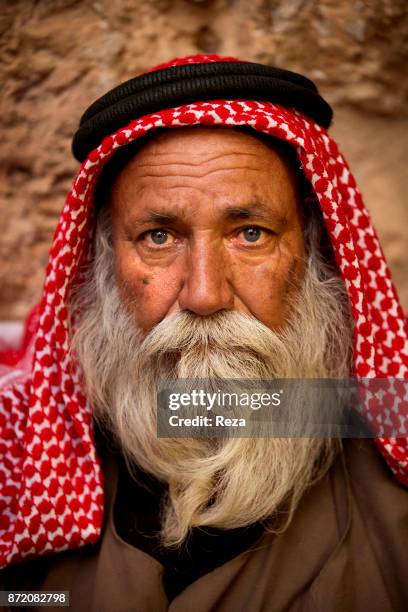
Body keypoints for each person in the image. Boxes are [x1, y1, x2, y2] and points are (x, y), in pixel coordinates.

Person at [0, 54, 407, 611]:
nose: (205, 295)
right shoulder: (24, 468)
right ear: (104, 263)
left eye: (251, 233)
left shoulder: (388, 448)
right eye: (159, 237)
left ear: (316, 254)